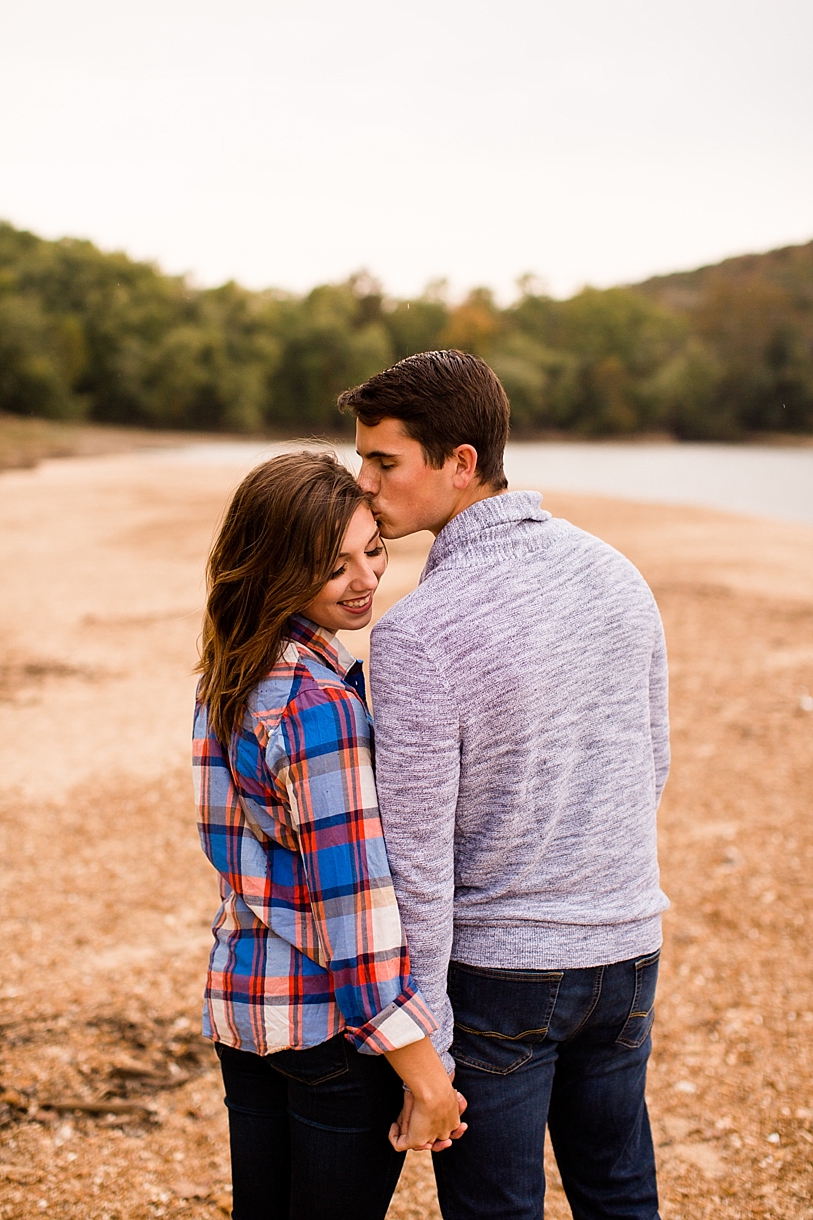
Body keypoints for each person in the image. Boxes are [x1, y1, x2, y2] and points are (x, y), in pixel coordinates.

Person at [339, 350, 670, 1220]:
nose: (364, 484)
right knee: (620, 1190)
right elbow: (653, 760)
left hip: (502, 974)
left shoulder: (416, 635)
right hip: (628, 946)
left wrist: (428, 1046)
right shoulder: (617, 574)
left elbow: (413, 858)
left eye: (383, 461)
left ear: (458, 463)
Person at [192, 450, 466, 1220]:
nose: (365, 580)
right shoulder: (319, 707)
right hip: (328, 1033)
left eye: (371, 551)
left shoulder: (230, 674)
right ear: (274, 568)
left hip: (243, 1007)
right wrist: (425, 1077)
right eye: (330, 565)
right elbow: (356, 915)